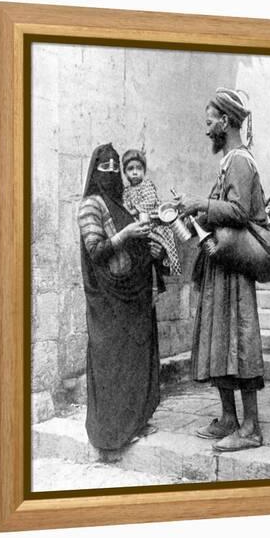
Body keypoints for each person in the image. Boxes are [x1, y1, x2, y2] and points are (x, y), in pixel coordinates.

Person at [176, 88, 268, 452]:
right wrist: (194, 211)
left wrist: (201, 202)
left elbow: (240, 212)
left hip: (235, 267)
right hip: (220, 264)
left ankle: (251, 428)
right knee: (220, 339)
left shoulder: (241, 161)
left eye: (210, 120)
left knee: (240, 340)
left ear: (226, 121)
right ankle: (229, 418)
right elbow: (224, 208)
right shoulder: (229, 161)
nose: (207, 129)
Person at [78, 143, 167, 451]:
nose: (114, 174)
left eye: (117, 168)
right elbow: (97, 251)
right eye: (106, 169)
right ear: (95, 172)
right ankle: (113, 430)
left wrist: (152, 251)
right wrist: (127, 235)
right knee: (114, 361)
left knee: (135, 358)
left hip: (133, 294)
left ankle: (136, 419)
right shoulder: (91, 205)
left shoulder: (124, 201)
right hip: (109, 300)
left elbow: (136, 246)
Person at [122, 149, 181, 276]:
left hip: (153, 222)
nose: (135, 172)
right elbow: (124, 207)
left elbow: (150, 201)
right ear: (125, 173)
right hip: (137, 224)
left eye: (139, 168)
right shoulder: (126, 191)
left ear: (144, 171)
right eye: (130, 169)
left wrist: (135, 209)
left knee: (164, 245)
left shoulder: (147, 185)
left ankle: (169, 264)